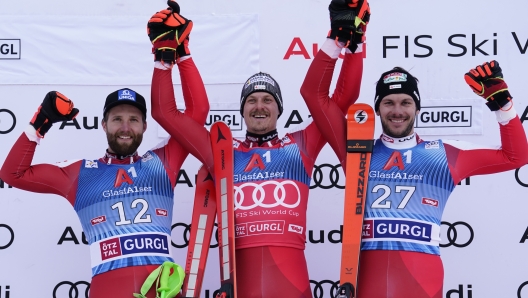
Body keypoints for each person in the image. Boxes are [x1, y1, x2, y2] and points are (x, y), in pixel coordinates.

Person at [149, 2, 369, 297]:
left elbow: (341, 98)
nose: (259, 106)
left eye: (267, 99)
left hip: (294, 287)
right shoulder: (222, 152)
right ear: (242, 110)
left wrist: (345, 41)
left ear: (278, 109)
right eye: (252, 100)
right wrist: (171, 57)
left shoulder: (300, 145)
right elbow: (165, 112)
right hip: (240, 287)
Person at [301, 13, 528, 296]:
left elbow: (516, 157)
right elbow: (314, 95)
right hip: (368, 283)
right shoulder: (358, 151)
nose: (397, 110)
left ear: (417, 107)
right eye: (389, 102)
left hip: (422, 283)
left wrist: (502, 105)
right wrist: (347, 43)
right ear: (378, 109)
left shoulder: (443, 156)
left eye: (406, 102)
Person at [0, 2, 209, 297]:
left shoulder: (163, 160)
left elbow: (197, 112)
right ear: (103, 125)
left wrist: (179, 53)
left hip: (164, 290)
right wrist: (39, 124)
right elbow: (12, 173)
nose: (125, 127)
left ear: (145, 127)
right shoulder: (80, 173)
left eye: (133, 119)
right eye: (117, 119)